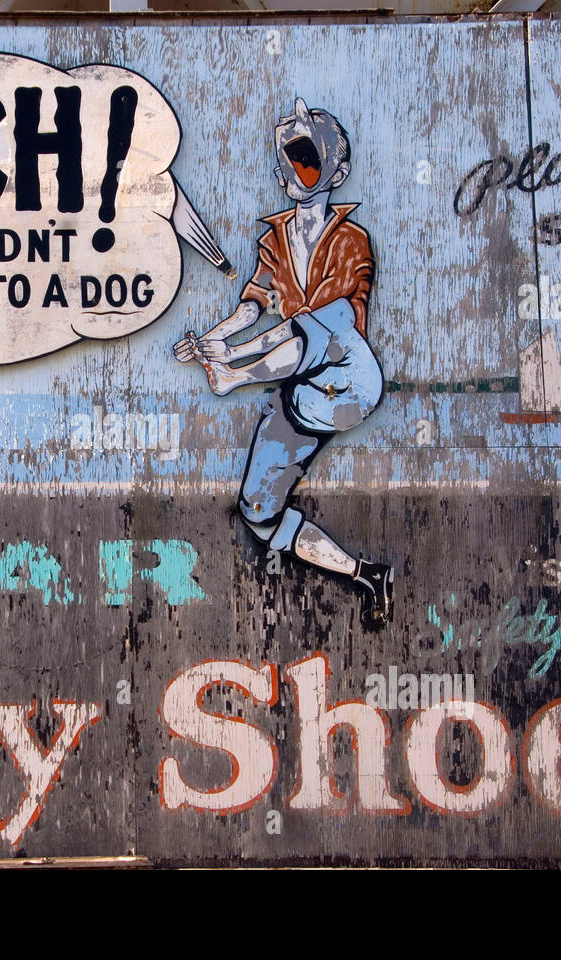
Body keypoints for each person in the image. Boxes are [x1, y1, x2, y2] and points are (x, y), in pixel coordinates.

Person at [173, 97, 393, 627]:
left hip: (350, 377)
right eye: (286, 161)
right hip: (301, 390)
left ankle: (235, 377)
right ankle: (365, 574)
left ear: (336, 173)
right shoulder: (275, 238)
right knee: (258, 511)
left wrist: (235, 361)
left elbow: (328, 321)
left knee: (326, 321)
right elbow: (252, 305)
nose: (289, 172)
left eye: (304, 161)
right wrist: (209, 341)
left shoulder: (352, 240)